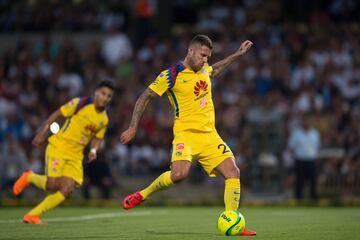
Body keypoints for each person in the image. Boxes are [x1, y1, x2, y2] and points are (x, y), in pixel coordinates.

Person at [120, 34, 256, 236]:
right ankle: (143, 194)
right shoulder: (171, 75)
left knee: (233, 172)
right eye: (202, 55)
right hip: (186, 135)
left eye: (208, 56)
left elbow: (215, 69)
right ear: (190, 51)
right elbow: (144, 97)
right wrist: (133, 127)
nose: (205, 60)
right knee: (179, 175)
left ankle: (232, 221)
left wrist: (238, 54)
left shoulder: (203, 69)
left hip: (210, 136)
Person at [13, 80, 115, 224]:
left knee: (67, 189)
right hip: (59, 146)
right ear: (96, 92)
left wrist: (93, 150)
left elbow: (97, 138)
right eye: (103, 93)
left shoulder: (104, 119)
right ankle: (29, 177)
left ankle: (32, 215)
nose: (105, 98)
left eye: (109, 96)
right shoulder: (81, 103)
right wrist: (42, 132)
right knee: (51, 186)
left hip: (76, 155)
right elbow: (56, 115)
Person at [288, 113, 320, 200]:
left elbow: (317, 148)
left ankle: (314, 200)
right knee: (299, 182)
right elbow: (291, 147)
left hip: (311, 160)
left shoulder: (315, 133)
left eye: (308, 120)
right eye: (304, 120)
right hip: (300, 160)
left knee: (313, 180)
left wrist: (316, 159)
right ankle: (298, 200)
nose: (306, 122)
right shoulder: (296, 133)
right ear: (302, 121)